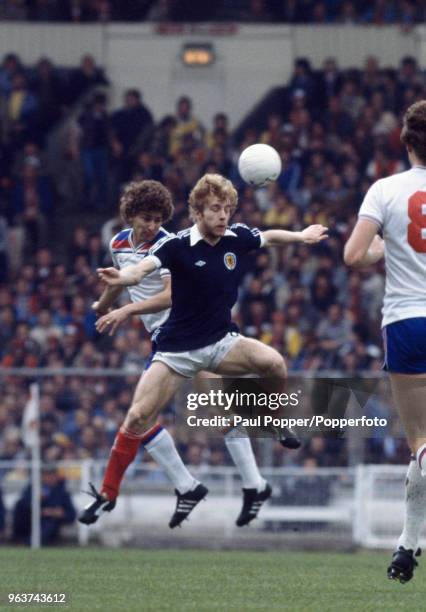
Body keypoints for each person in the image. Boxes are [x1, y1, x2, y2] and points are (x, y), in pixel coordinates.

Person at [81, 174, 327, 530]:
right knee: (139, 418)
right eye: (216, 208)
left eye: (227, 208)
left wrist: (301, 236)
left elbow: (269, 236)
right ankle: (114, 493)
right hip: (176, 346)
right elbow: (136, 270)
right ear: (197, 212)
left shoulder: (234, 236)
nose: (223, 214)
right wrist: (109, 298)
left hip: (215, 339)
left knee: (273, 364)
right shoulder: (172, 245)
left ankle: (266, 431)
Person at [344, 100, 426, 584]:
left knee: (419, 441)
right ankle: (409, 543)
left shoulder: (386, 189)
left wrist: (383, 246)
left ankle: (406, 548)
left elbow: (355, 255)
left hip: (408, 323)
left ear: (405, 140)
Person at [12, 466, 76, 545]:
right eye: (45, 475)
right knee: (20, 507)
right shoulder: (33, 489)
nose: (48, 478)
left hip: (50, 520)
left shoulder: (62, 493)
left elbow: (71, 514)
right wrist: (37, 504)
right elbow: (23, 503)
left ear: (56, 477)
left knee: (50, 522)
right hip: (31, 519)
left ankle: (29, 543)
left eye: (51, 475)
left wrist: (57, 513)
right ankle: (18, 539)